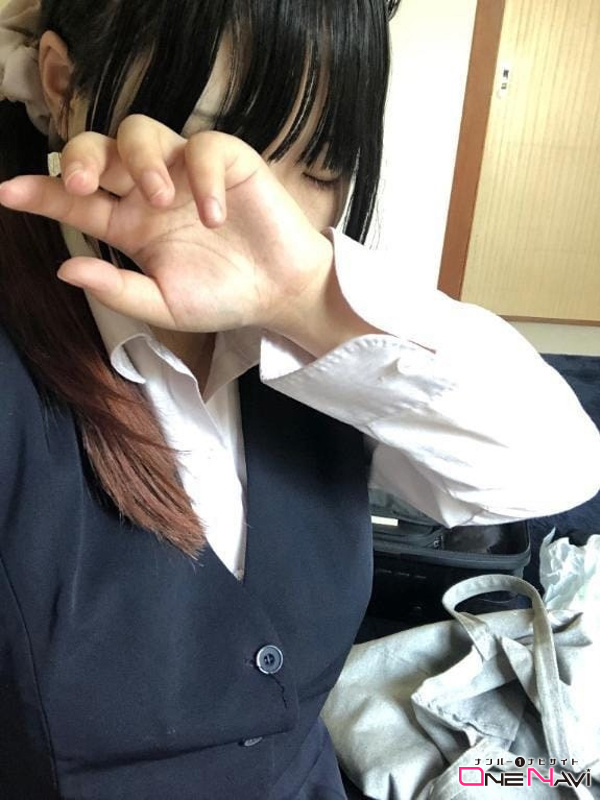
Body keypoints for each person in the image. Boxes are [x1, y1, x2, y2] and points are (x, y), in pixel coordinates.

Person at [0, 0, 598, 798]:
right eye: (214, 147)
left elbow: (548, 469)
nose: (269, 215)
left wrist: (303, 299)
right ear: (62, 83)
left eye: (319, 168)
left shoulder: (317, 337)